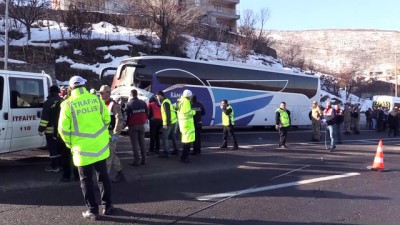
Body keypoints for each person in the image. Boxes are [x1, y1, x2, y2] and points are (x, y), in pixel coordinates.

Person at [58, 76, 113, 220]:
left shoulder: (67, 104)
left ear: (70, 88)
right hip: (100, 147)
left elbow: (63, 130)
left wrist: (70, 144)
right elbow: (107, 119)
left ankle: (93, 211)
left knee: (86, 180)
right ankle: (108, 207)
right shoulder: (96, 99)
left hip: (82, 149)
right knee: (103, 176)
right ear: (84, 85)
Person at [98, 85, 125, 182]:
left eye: (102, 93)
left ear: (108, 93)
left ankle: (104, 179)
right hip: (102, 134)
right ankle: (120, 172)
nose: (100, 94)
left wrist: (116, 134)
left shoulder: (113, 104)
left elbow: (119, 119)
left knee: (108, 155)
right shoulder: (100, 104)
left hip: (110, 134)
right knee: (112, 154)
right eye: (100, 93)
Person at [38, 85, 62, 172]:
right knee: (59, 148)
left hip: (50, 130)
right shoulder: (62, 101)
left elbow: (45, 118)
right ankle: (61, 165)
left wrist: (40, 129)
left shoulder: (48, 102)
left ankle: (54, 167)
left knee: (53, 149)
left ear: (50, 92)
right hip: (61, 130)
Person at [126, 89, 148, 166]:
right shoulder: (143, 103)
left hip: (133, 125)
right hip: (141, 125)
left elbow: (127, 116)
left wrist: (126, 124)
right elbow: (146, 113)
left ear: (131, 94)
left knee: (135, 144)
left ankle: (137, 160)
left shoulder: (129, 104)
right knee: (142, 143)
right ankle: (144, 160)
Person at [156, 91, 179, 158]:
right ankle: (176, 150)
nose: (157, 98)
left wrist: (166, 124)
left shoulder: (165, 102)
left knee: (164, 137)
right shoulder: (167, 101)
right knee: (173, 136)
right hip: (173, 121)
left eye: (157, 96)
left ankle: (166, 152)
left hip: (169, 122)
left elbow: (167, 113)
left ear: (160, 96)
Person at [176, 90, 196, 162]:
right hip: (187, 124)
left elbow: (176, 108)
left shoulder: (180, 100)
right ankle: (184, 158)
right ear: (189, 96)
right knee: (187, 143)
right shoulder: (186, 102)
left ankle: (184, 157)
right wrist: (194, 112)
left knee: (185, 141)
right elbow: (187, 112)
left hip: (183, 123)